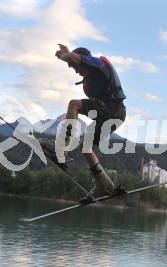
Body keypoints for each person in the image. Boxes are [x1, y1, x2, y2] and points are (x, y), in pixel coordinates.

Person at [42, 44, 127, 203]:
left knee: (74, 104)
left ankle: (61, 151)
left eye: (75, 66)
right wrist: (70, 56)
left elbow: (81, 59)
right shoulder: (91, 75)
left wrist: (65, 56)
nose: (75, 70)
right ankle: (106, 185)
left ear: (82, 61)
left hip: (114, 110)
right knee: (85, 146)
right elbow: (77, 61)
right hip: (113, 114)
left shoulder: (98, 65)